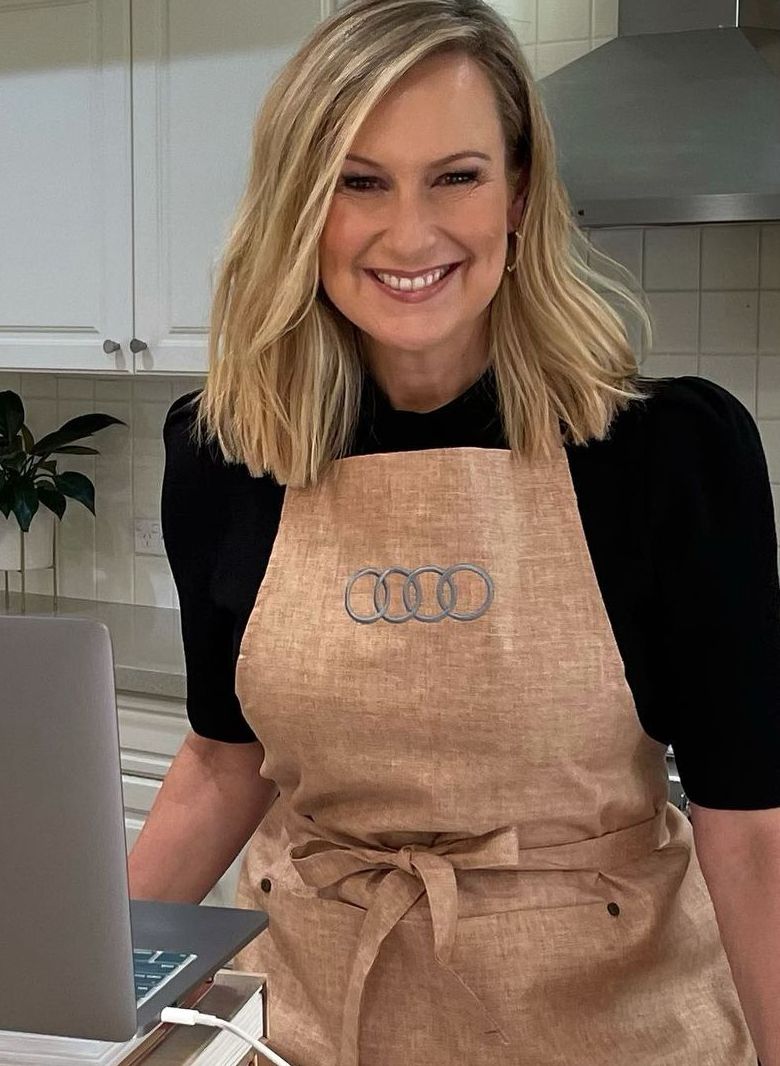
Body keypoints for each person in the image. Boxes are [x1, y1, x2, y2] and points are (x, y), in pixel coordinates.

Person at [128, 2, 780, 1063]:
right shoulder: (226, 454)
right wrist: (69, 992)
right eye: (359, 181)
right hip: (306, 1024)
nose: (409, 234)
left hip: (605, 1025)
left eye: (456, 176)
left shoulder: (669, 457)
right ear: (301, 204)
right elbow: (222, 758)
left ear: (518, 194)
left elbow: (749, 830)